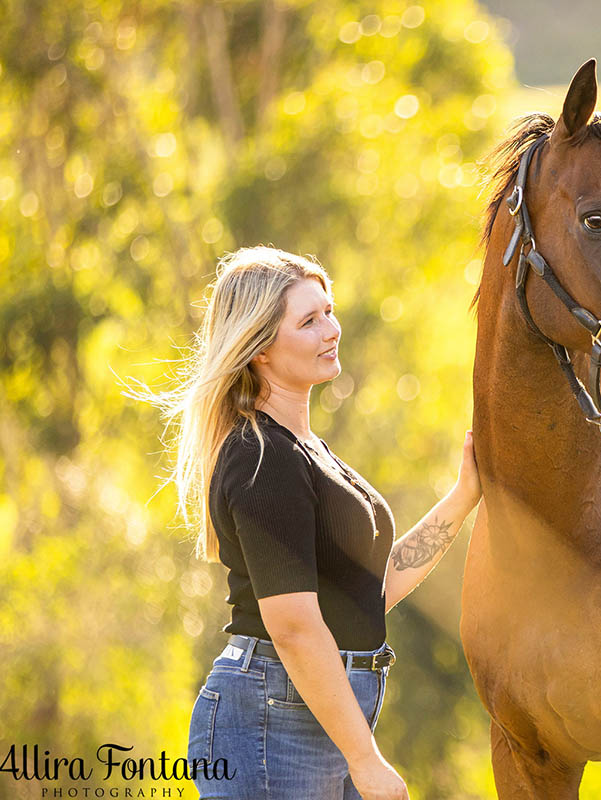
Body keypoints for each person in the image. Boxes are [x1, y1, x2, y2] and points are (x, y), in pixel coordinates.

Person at [142, 246, 480, 800]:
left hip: (314, 712)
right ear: (260, 352)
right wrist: (365, 759)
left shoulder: (307, 450)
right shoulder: (261, 456)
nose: (331, 329)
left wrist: (464, 495)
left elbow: (371, 589)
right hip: (271, 716)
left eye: (328, 310)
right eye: (308, 320)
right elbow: (294, 626)